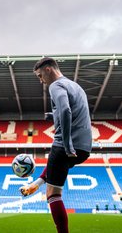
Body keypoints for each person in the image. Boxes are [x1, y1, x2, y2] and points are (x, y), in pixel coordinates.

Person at [20, 57, 92, 233]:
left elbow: (66, 110)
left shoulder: (55, 86)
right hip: (84, 147)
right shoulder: (76, 87)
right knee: (55, 165)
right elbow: (74, 111)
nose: (40, 80)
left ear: (48, 70)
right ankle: (35, 185)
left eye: (40, 76)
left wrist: (67, 145)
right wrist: (53, 116)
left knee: (53, 195)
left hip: (67, 144)